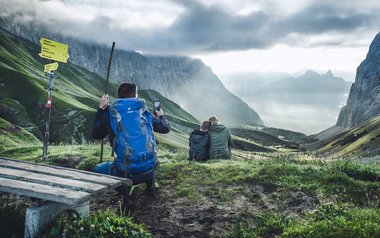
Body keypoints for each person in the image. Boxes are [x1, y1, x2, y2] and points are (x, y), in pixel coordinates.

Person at [92, 82, 169, 201]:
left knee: (98, 169)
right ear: (136, 95)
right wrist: (161, 116)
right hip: (150, 167)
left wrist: (101, 110)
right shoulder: (144, 112)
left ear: (118, 96)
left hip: (127, 171)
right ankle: (150, 185)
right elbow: (165, 128)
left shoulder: (111, 113)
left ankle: (125, 191)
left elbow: (96, 135)